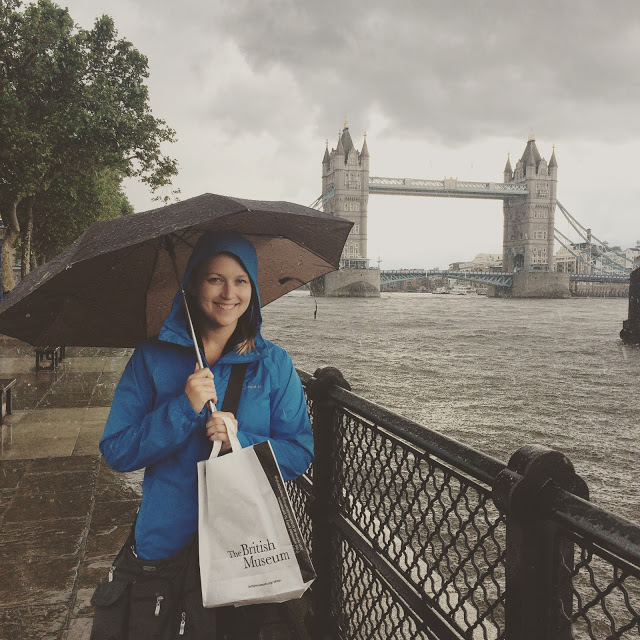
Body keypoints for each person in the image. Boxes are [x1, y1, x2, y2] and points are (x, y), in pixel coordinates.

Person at [98, 231, 314, 638]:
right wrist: (183, 408)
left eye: (241, 280)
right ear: (193, 285)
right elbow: (117, 452)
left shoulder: (273, 364)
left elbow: (299, 450)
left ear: (253, 288)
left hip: (244, 548)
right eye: (215, 278)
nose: (228, 292)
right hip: (166, 543)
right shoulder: (151, 357)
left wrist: (240, 440)